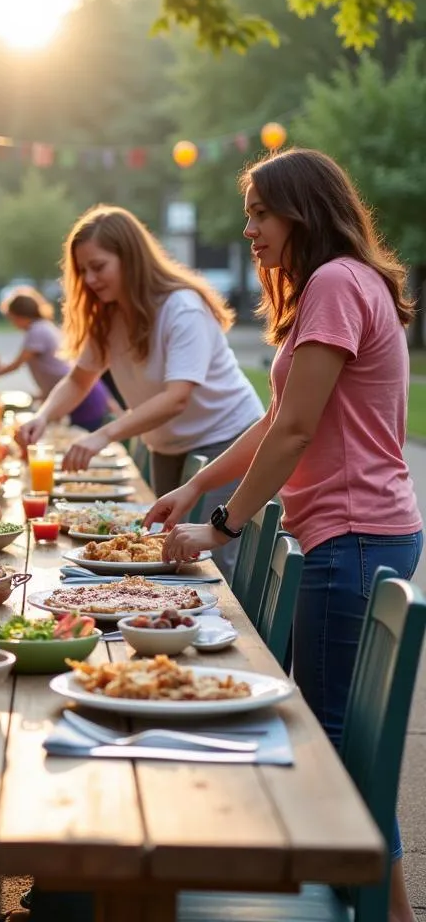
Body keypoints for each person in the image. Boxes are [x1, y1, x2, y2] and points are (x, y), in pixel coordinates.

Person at [152, 148, 422, 922]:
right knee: (337, 739)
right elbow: (275, 418)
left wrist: (224, 525)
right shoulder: (337, 286)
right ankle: (385, 911)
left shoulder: (336, 283)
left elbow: (298, 427)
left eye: (260, 214)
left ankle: (385, 913)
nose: (249, 231)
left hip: (355, 533)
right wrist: (199, 484)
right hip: (362, 531)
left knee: (337, 746)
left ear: (300, 212)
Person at [16, 205, 264, 579]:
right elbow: (79, 379)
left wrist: (105, 433)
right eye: (83, 270)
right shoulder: (108, 316)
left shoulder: (182, 307)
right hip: (166, 447)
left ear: (131, 258)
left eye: (98, 266)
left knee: (215, 567)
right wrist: (43, 416)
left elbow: (178, 396)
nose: (90, 278)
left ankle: (223, 636)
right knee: (170, 558)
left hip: (226, 441)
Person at [0, 286, 120, 430]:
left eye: (12, 318)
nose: (13, 323)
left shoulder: (37, 332)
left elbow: (15, 366)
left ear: (20, 315)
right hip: (81, 393)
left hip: (81, 396)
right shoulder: (44, 326)